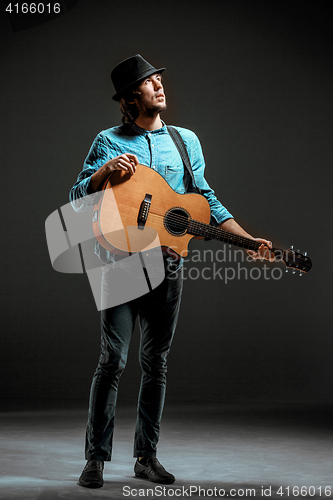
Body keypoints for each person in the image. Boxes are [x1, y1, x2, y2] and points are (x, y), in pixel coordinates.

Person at [70, 54, 274, 489]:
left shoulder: (185, 142)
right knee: (112, 362)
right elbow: (74, 198)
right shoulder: (107, 140)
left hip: (168, 265)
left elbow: (207, 201)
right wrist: (101, 174)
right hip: (121, 265)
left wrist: (250, 240)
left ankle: (146, 456)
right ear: (129, 98)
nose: (159, 86)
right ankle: (96, 459)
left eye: (159, 78)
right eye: (149, 82)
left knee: (156, 364)